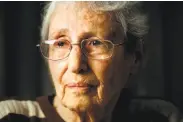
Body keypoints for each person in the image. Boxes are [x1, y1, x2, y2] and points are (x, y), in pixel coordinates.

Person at [0, 1, 182, 122]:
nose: (76, 65)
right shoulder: (10, 116)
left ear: (135, 57)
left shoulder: (160, 117)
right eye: (61, 43)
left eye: (95, 43)